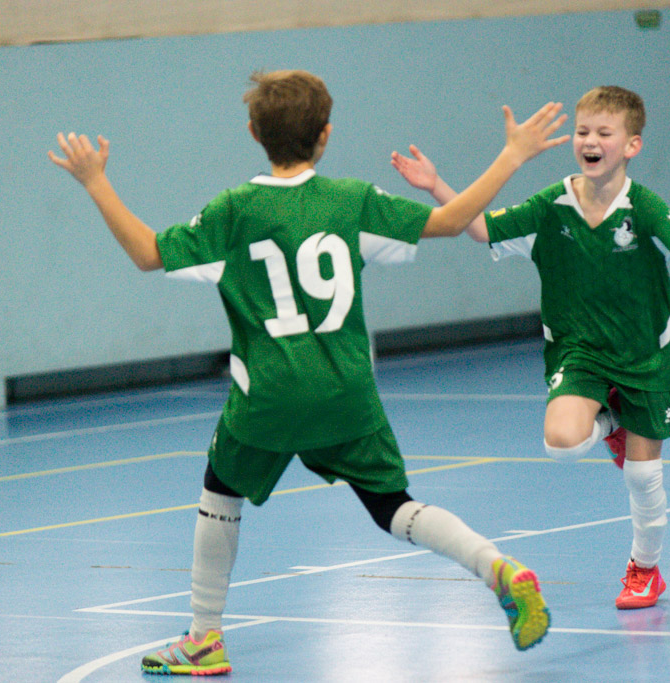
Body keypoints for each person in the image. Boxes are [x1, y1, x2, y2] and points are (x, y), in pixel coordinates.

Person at [49, 69, 569, 675]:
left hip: (268, 396)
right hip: (346, 392)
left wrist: (96, 181)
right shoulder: (352, 201)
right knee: (393, 506)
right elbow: (454, 221)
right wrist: (511, 155)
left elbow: (146, 252)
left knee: (221, 490)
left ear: (253, 133)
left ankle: (204, 638)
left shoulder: (234, 210)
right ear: (325, 134)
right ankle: (495, 566)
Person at [391, 85, 670, 612]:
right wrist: (436, 184)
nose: (590, 141)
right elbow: (481, 229)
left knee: (643, 478)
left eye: (604, 133)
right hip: (580, 353)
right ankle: (612, 423)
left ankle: (645, 570)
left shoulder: (643, 207)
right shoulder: (551, 207)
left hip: (645, 355)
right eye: (582, 132)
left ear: (632, 145)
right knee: (561, 442)